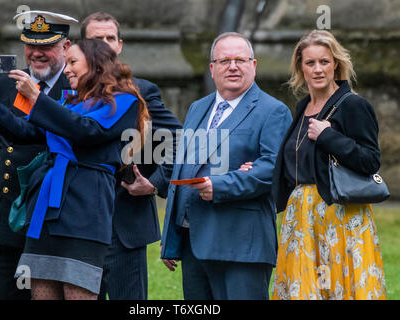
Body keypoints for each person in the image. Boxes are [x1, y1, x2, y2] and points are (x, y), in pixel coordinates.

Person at [0, 37, 150, 299]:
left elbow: (86, 130)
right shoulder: (71, 104)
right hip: (45, 211)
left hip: (84, 211)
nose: (66, 69)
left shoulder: (122, 102)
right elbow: (25, 132)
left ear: (96, 64)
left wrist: (37, 99)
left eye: (73, 62)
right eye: (66, 63)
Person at [160, 32, 292, 300]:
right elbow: (184, 166)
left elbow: (273, 169)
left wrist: (220, 185)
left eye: (240, 60)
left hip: (241, 245)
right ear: (212, 69)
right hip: (193, 242)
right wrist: (171, 235)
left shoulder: (272, 111)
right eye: (224, 61)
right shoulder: (198, 108)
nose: (233, 66)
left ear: (253, 65)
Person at [269, 30, 386, 300]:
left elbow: (371, 160)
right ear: (300, 67)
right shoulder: (302, 107)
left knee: (337, 289)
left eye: (324, 61)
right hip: (300, 216)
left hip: (339, 214)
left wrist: (328, 136)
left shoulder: (353, 105)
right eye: (310, 63)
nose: (318, 69)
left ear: (336, 64)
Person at [81, 12, 182, 300]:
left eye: (109, 38)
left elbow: (179, 137)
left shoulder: (141, 91)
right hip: (77, 222)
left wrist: (156, 182)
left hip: (123, 221)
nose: (104, 45)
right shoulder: (69, 90)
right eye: (95, 39)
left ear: (120, 45)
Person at [0, 10, 75, 300]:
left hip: (54, 217)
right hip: (7, 213)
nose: (37, 54)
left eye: (47, 46)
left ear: (66, 47)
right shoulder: (7, 83)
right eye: (31, 45)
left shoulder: (76, 85)